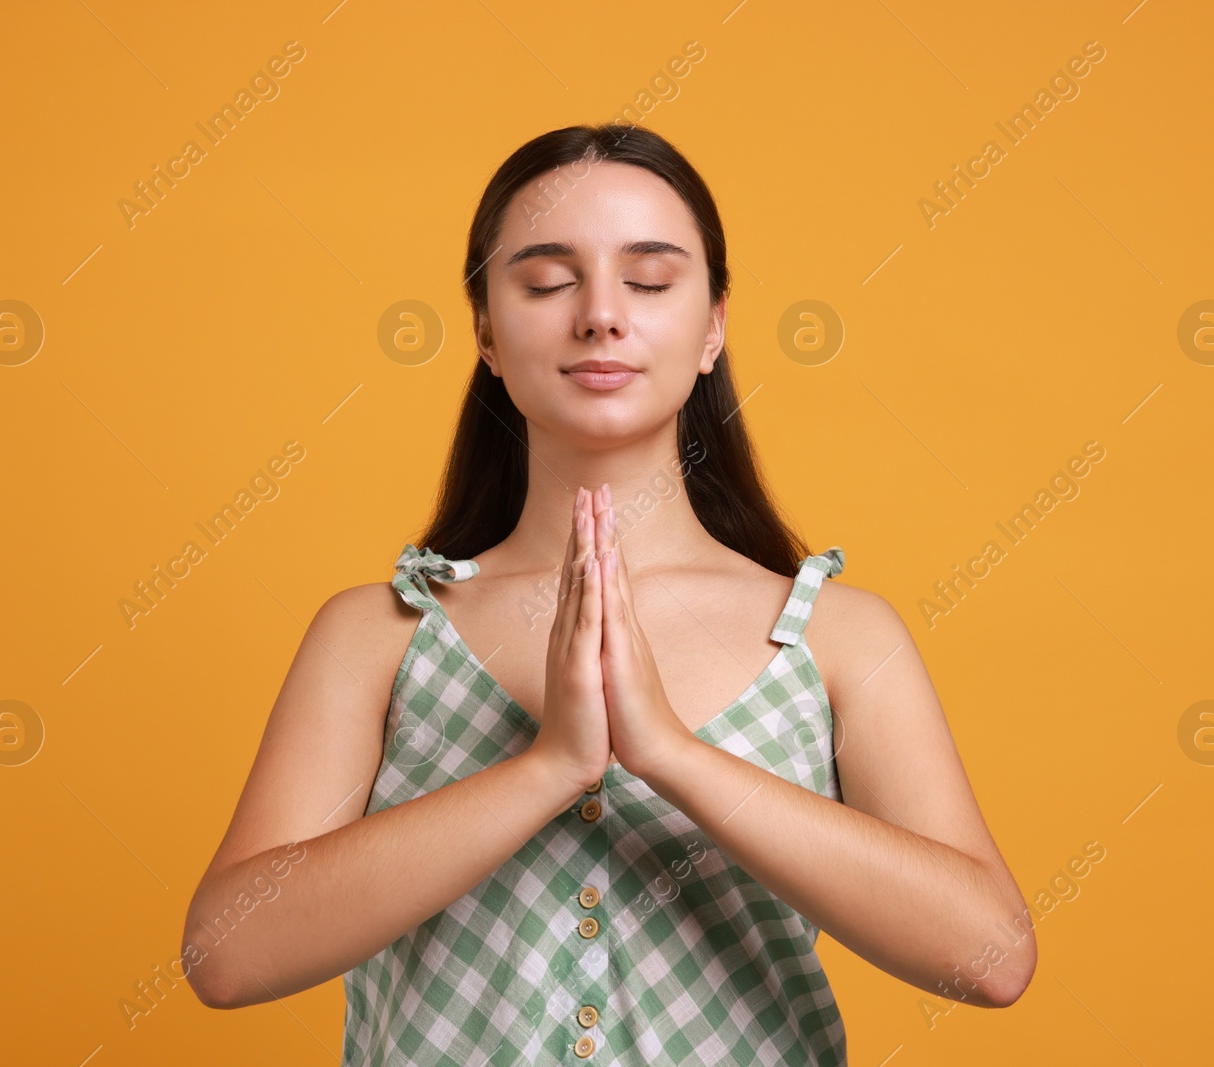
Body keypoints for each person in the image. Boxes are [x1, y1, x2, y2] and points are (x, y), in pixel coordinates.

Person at [182, 123, 1035, 1063]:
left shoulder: (836, 637)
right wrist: (546, 767)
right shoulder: (379, 634)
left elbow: (992, 958)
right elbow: (225, 955)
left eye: (651, 281)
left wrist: (669, 752)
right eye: (547, 282)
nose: (599, 316)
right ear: (485, 332)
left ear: (713, 325)